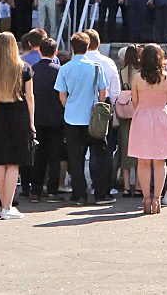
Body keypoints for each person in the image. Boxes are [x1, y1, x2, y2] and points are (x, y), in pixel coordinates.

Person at [0, 31, 35, 218]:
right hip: (18, 114)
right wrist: (32, 122)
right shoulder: (24, 68)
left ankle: (4, 206)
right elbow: (30, 97)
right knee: (13, 163)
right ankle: (7, 207)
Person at [54, 32, 106, 205]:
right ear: (88, 46)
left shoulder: (65, 68)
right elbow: (103, 93)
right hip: (92, 117)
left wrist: (69, 106)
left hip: (72, 117)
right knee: (98, 156)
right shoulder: (96, 67)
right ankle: (100, 193)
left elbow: (62, 96)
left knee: (75, 158)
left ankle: (80, 194)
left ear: (71, 47)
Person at [127, 43, 167, 214]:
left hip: (142, 116)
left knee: (143, 160)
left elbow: (134, 101)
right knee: (160, 160)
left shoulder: (136, 78)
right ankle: (157, 198)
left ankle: (146, 198)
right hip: (162, 116)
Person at [27, 37, 66, 201]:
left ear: (40, 51)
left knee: (38, 156)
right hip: (56, 117)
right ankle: (52, 190)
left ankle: (35, 190)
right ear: (55, 52)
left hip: (37, 117)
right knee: (55, 156)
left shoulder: (32, 69)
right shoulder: (59, 70)